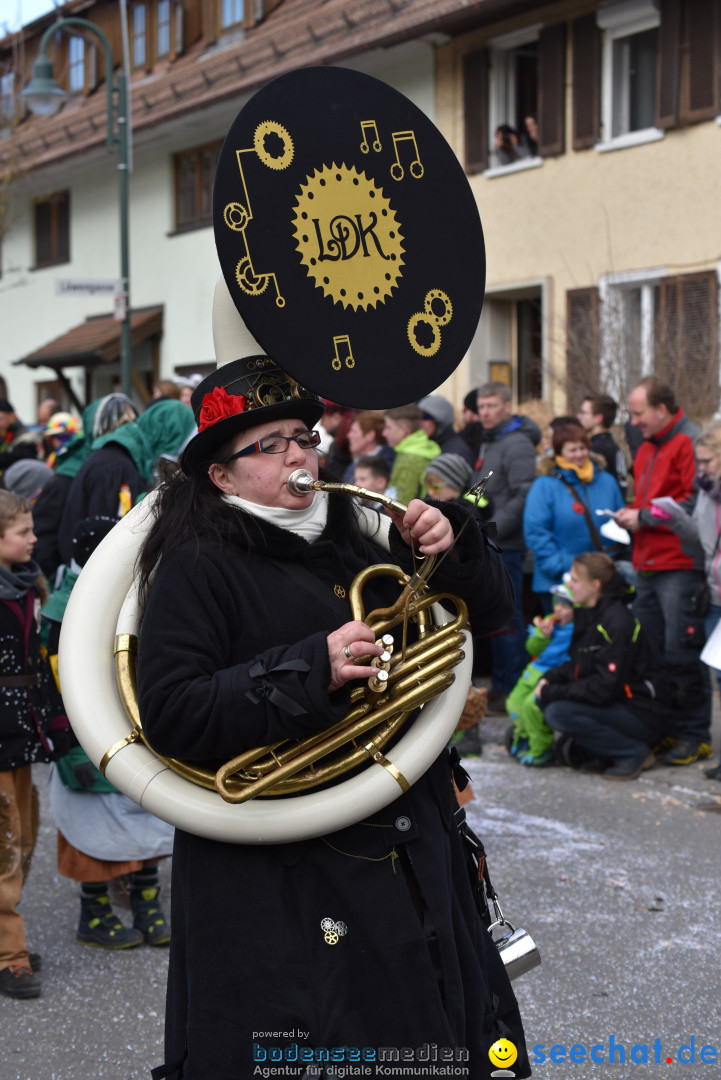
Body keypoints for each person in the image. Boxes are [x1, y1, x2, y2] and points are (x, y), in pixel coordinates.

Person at [134, 335, 529, 1078]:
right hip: (288, 871)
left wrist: (454, 546)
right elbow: (172, 713)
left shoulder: (361, 529)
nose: (298, 458)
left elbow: (493, 617)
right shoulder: (194, 566)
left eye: (302, 438)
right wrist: (311, 667)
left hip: (412, 838)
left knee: (439, 1030)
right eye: (268, 446)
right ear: (220, 473)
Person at [44, 517, 173, 950]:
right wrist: (69, 749)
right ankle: (94, 911)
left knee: (148, 820)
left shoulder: (138, 594)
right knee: (91, 831)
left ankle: (146, 902)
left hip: (138, 727)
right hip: (86, 741)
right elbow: (56, 684)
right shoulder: (64, 613)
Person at [616, 376, 711, 766]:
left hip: (678, 565)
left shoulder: (689, 442)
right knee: (653, 654)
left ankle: (694, 734)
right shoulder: (645, 448)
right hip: (647, 565)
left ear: (661, 409)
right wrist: (632, 516)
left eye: (639, 413)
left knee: (681, 653)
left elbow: (692, 504)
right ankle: (668, 727)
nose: (634, 421)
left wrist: (643, 516)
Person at [0, 490, 68, 999]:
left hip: (21, 729)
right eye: (23, 531)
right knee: (4, 842)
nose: (34, 538)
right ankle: (9, 956)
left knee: (24, 837)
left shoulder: (26, 586)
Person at [536, 552, 671, 780]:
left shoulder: (617, 620)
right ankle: (602, 751)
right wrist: (551, 677)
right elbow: (580, 664)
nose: (569, 585)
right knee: (547, 700)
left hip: (642, 712)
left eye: (575, 580)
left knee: (557, 711)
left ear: (595, 585)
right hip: (617, 703)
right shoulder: (589, 612)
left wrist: (552, 691)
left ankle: (632, 752)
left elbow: (605, 688)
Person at [648, 422, 721, 780]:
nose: (701, 468)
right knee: (719, 678)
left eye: (707, 461)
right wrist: (674, 518)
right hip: (716, 594)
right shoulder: (707, 493)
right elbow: (701, 540)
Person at [469, 382, 540, 712]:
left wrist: (494, 529)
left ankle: (511, 687)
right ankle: (500, 684)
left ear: (508, 406)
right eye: (481, 406)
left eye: (492, 405)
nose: (485, 412)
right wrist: (467, 514)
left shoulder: (517, 443)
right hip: (490, 539)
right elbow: (481, 487)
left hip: (507, 543)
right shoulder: (491, 439)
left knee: (509, 617)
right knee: (494, 613)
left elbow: (524, 494)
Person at [56, 399, 196, 566]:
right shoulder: (116, 467)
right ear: (165, 438)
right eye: (179, 454)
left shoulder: (121, 460)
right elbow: (108, 539)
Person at [523, 421, 625, 613]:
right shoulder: (545, 485)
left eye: (582, 448)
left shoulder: (606, 481)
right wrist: (563, 569)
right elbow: (536, 533)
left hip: (600, 581)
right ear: (559, 453)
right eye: (572, 450)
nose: (579, 454)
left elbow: (620, 520)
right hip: (559, 583)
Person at [506, 584, 575, 767]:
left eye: (565, 606)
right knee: (514, 702)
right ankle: (524, 736)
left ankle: (541, 748)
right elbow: (531, 648)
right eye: (557, 604)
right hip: (533, 671)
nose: (558, 610)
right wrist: (541, 637)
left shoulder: (577, 630)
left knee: (531, 706)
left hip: (554, 675)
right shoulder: (547, 622)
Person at [383, 403, 441, 503]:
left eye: (389, 428)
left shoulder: (409, 459)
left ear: (404, 430)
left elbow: (402, 504)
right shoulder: (424, 447)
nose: (384, 433)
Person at [577, 393, 629, 498]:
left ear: (598, 418)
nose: (579, 416)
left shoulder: (596, 449)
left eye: (584, 413)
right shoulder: (612, 445)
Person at [418, 394, 476, 465]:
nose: (421, 422)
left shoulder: (456, 453)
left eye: (425, 417)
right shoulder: (432, 447)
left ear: (440, 419)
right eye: (419, 417)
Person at [343, 410, 394, 481]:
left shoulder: (385, 465)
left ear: (370, 436)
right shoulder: (355, 462)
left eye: (354, 431)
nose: (349, 435)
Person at [0, 400, 39, 474]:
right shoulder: (4, 433)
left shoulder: (24, 436)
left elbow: (12, 457)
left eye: (1, 419)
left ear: (11, 416)